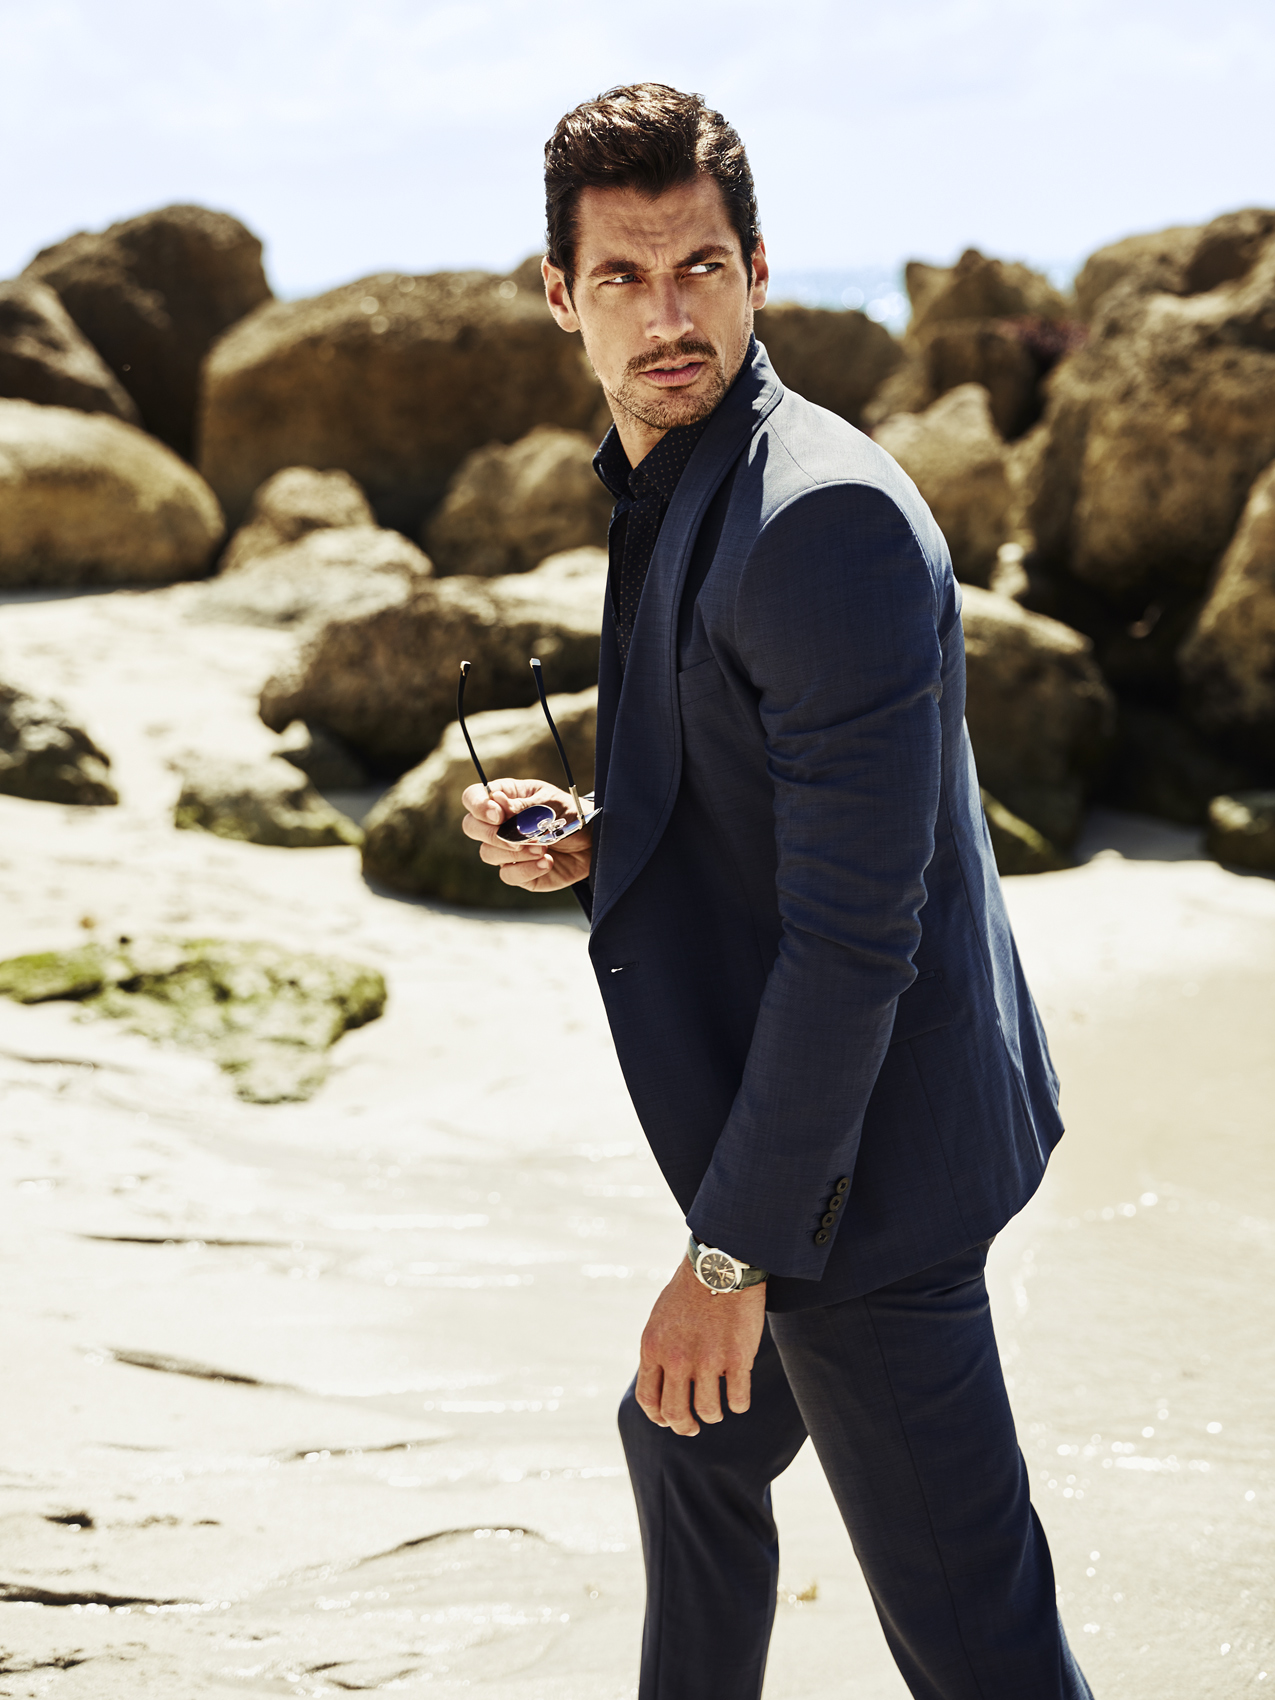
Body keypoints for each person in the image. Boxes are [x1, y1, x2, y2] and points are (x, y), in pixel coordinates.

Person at [460, 82, 1092, 1700]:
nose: (668, 316)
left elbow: (855, 938)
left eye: (701, 269)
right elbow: (766, 772)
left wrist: (730, 1261)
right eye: (624, 277)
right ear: (562, 296)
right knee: (682, 1442)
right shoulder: (681, 471)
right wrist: (596, 834)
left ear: (758, 267)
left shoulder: (821, 520)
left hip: (871, 1188)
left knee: (983, 1650)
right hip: (819, 1138)